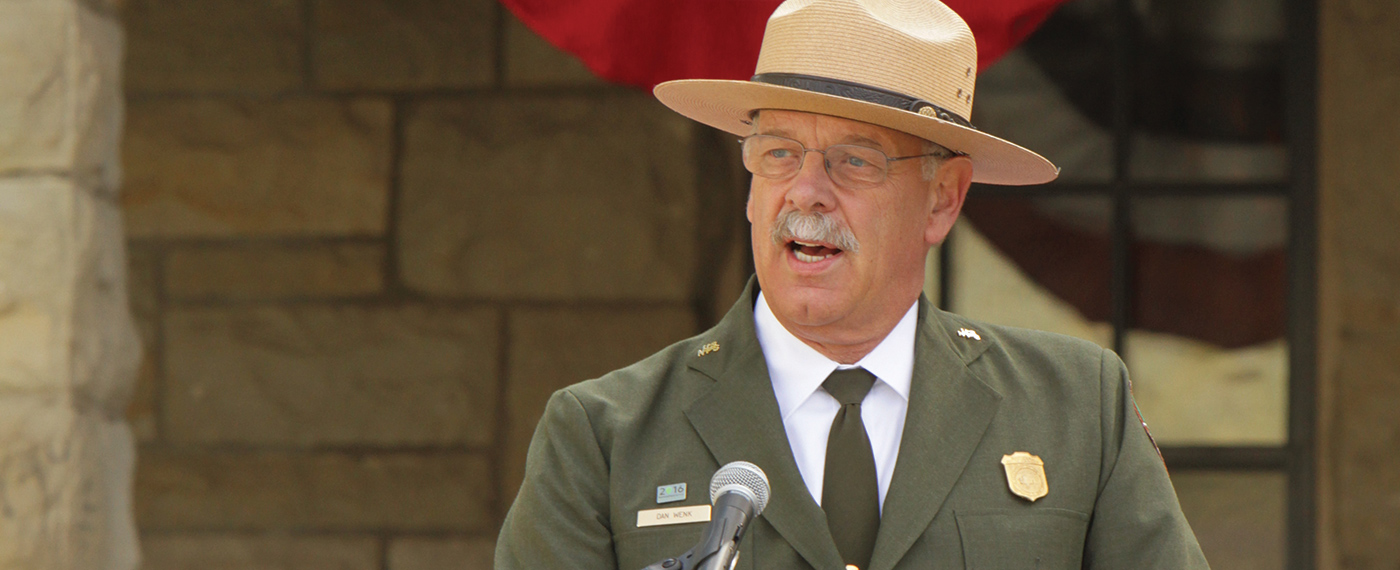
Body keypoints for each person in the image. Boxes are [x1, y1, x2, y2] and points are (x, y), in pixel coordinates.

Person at [496, 0, 1210, 568]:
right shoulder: (604, 436)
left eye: (855, 161)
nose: (805, 192)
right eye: (777, 154)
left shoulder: (1077, 409)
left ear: (942, 200)